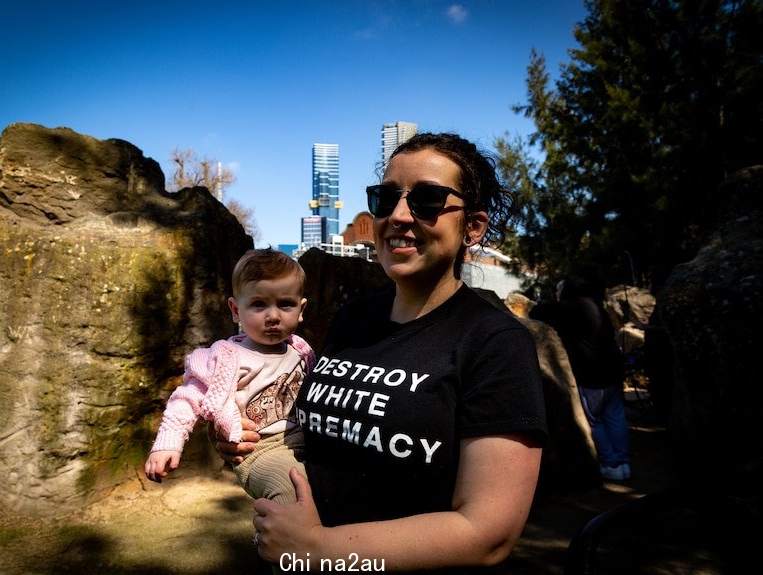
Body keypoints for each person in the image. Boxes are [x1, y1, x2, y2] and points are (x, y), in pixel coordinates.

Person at [216, 133, 548, 573]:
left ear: (473, 226)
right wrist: (237, 429)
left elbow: (487, 533)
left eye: (428, 199)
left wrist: (320, 550)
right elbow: (308, 434)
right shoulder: (354, 317)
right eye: (385, 197)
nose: (399, 215)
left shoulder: (495, 343)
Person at [145, 248, 314, 505]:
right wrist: (169, 441)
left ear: (301, 309)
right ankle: (285, 546)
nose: (273, 316)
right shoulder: (225, 356)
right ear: (235, 310)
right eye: (259, 304)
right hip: (259, 450)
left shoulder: (301, 350)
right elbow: (188, 397)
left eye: (285, 304)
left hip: (306, 441)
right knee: (292, 488)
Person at [531, 275, 631, 481]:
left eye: (560, 289)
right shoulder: (595, 306)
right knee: (616, 418)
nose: (557, 293)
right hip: (612, 374)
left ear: (568, 290)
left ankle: (611, 464)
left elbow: (537, 312)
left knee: (595, 421)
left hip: (592, 377)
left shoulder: (572, 307)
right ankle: (623, 464)